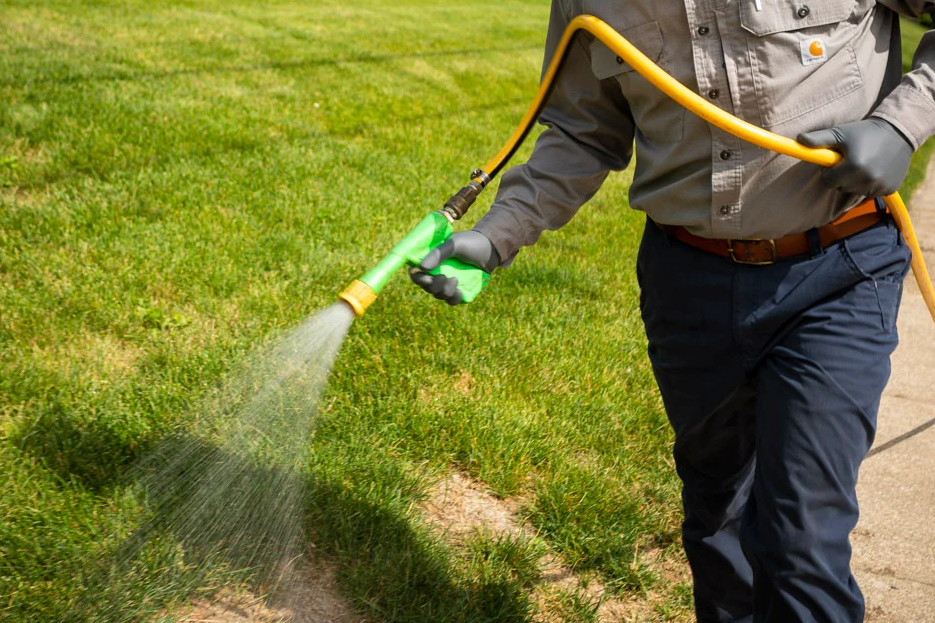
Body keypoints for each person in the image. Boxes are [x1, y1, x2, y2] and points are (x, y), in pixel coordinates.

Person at [410, 0, 935, 621]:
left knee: (802, 537)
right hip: (688, 284)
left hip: (838, 269)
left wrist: (901, 124)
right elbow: (583, 132)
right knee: (719, 518)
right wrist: (499, 234)